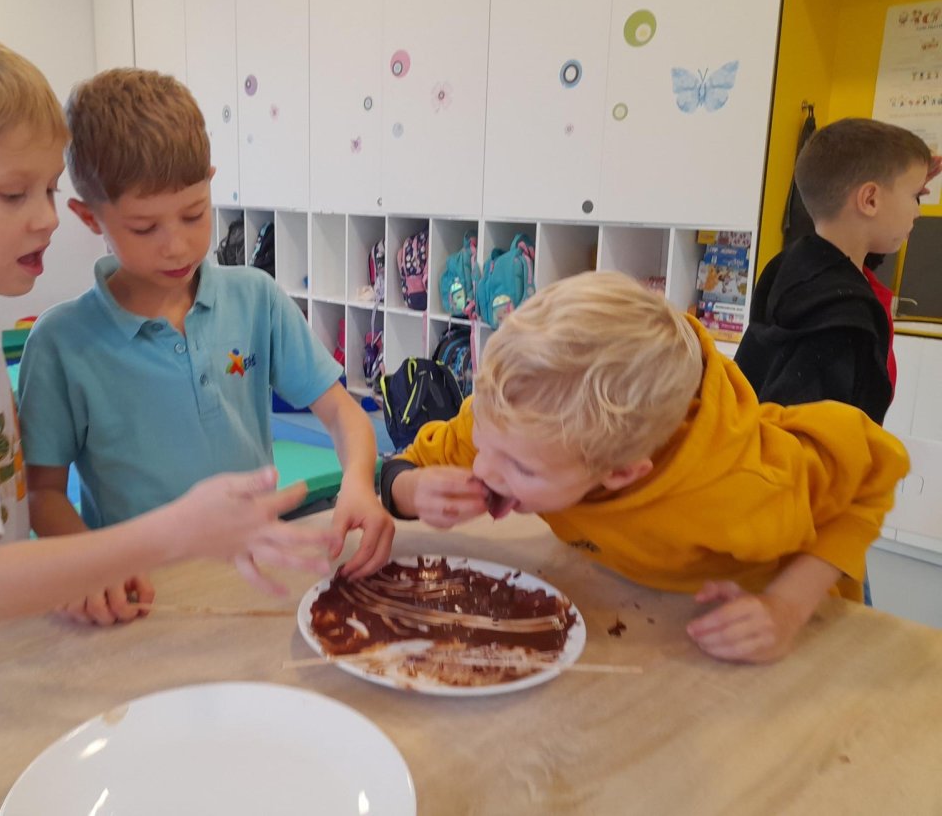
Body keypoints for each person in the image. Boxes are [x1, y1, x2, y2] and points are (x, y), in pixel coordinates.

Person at [0, 22, 331, 665]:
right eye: (14, 195)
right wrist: (171, 533)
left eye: (48, 189)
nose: (45, 218)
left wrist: (77, 571)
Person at [17, 68, 393, 624]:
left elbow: (341, 412)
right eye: (144, 228)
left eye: (194, 214)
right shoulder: (61, 344)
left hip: (258, 572)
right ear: (89, 216)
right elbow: (43, 493)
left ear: (211, 182)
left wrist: (359, 481)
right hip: (142, 594)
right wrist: (88, 566)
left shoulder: (255, 298)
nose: (177, 245)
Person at [378, 270, 908, 664]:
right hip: (644, 616)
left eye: (521, 469)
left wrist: (786, 608)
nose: (485, 468)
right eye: (482, 440)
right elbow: (406, 463)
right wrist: (411, 489)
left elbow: (872, 474)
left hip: (781, 642)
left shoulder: (743, 483)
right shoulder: (517, 419)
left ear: (622, 472)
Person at [736, 117, 940, 425]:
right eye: (916, 197)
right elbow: (808, 436)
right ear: (870, 199)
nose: (917, 211)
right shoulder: (838, 318)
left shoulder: (799, 266)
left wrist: (908, 180)